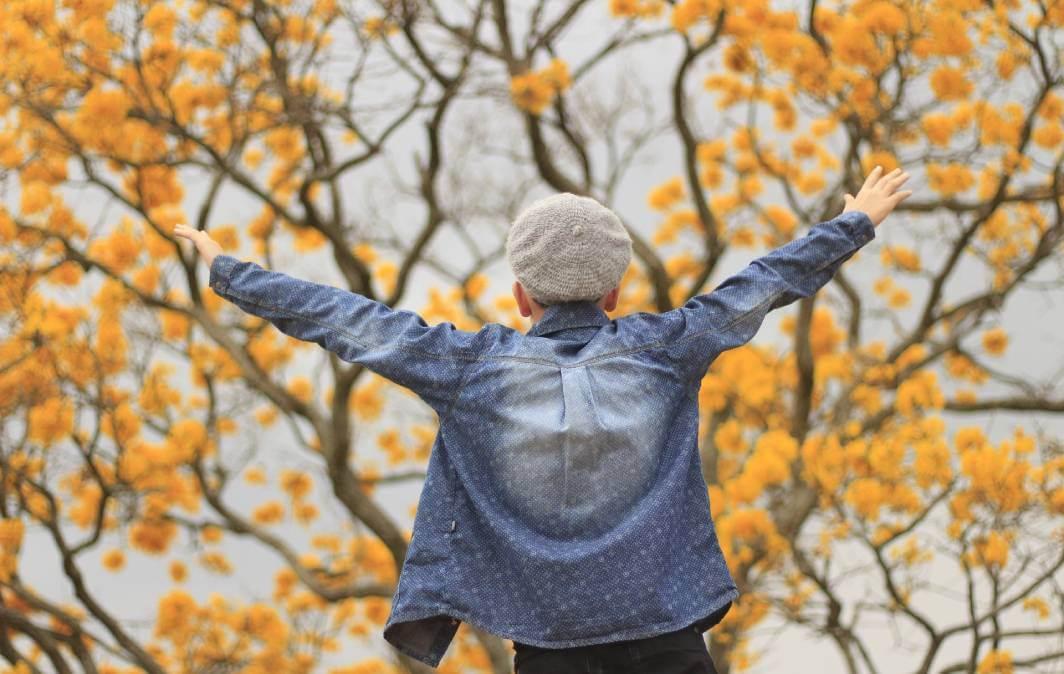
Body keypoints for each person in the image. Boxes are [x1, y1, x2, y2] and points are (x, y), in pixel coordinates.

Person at [175, 166, 911, 673]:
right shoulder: (668, 350)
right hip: (669, 638)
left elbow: (349, 321)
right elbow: (765, 283)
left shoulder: (469, 368)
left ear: (521, 296)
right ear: (615, 292)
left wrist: (230, 271)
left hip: (549, 651)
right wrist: (852, 224)